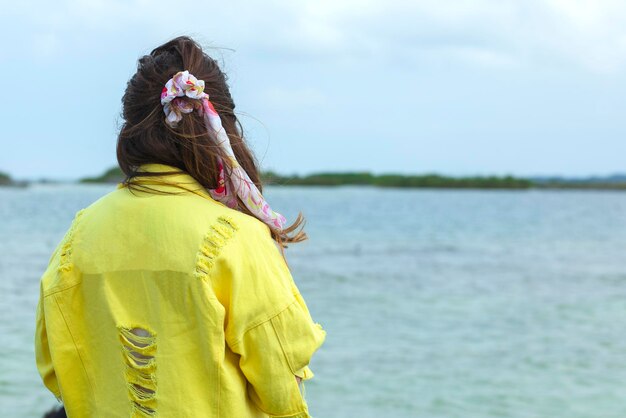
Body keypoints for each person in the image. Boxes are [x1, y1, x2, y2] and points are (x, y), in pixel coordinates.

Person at [34, 36, 326, 418]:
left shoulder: (78, 235)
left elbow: (54, 368)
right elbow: (284, 386)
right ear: (221, 126)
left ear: (132, 128)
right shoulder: (237, 237)